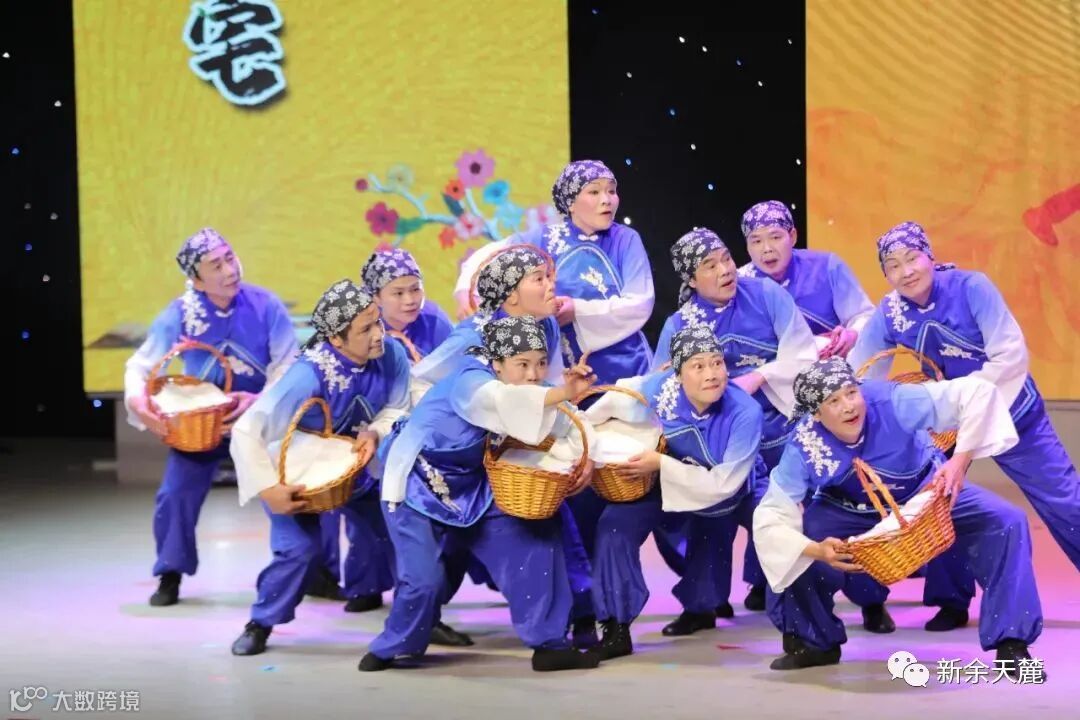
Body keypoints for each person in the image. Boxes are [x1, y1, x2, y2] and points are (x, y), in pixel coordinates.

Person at [849, 221, 1080, 631]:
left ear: (930, 256)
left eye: (912, 258)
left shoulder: (972, 287)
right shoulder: (891, 311)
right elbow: (862, 373)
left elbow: (1009, 355)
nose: (905, 271)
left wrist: (963, 397)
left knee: (1064, 501)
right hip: (950, 425)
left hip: (1012, 410)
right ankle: (951, 600)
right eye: (892, 265)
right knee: (939, 501)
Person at [753, 357, 1042, 679]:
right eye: (833, 401)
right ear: (817, 415)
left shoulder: (894, 400)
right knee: (802, 540)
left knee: (1006, 520)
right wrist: (816, 550)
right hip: (847, 509)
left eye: (851, 393)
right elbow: (772, 514)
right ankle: (814, 642)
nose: (849, 406)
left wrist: (959, 462)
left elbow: (977, 393)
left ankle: (1012, 643)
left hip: (927, 491)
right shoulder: (804, 446)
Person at [228, 280, 471, 654]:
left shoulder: (390, 353)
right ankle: (260, 623)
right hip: (300, 476)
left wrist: (375, 431)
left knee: (406, 542)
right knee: (298, 551)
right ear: (336, 340)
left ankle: (421, 620)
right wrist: (268, 488)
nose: (379, 334)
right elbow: (248, 430)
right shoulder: (307, 375)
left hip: (362, 470)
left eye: (378, 322)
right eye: (365, 329)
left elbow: (398, 406)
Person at [359, 315, 601, 673]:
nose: (534, 374)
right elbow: (502, 401)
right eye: (522, 364)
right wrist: (564, 392)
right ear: (497, 363)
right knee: (424, 580)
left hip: (475, 484)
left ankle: (549, 643)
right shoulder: (471, 379)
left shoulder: (532, 387)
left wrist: (588, 458)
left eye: (540, 363)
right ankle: (394, 646)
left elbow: (567, 419)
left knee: (535, 542)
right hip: (415, 481)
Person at [124, 228, 297, 607]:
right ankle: (170, 572)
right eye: (215, 265)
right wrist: (140, 404)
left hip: (259, 421)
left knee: (294, 492)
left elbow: (288, 365)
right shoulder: (180, 314)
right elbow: (140, 366)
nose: (229, 270)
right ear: (197, 280)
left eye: (229, 258)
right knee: (174, 495)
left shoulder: (267, 306)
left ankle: (312, 570)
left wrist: (258, 400)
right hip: (201, 427)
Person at [651, 228, 819, 616]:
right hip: (720, 435)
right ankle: (703, 605)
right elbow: (662, 385)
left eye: (726, 258)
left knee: (784, 510)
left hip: (781, 421)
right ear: (692, 280)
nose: (726, 270)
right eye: (710, 266)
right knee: (713, 513)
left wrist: (760, 377)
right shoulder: (680, 324)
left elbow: (802, 351)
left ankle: (780, 596)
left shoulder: (765, 294)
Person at [582, 325, 764, 657]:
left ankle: (797, 629)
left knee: (764, 529)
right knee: (614, 526)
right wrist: (584, 444)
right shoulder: (660, 388)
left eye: (717, 363)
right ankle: (615, 626)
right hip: (663, 476)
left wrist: (662, 465)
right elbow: (609, 405)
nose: (711, 374)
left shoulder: (745, 412)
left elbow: (724, 484)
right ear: (677, 375)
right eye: (698, 366)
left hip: (732, 487)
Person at [737, 200, 874, 359]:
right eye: (756, 241)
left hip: (831, 364)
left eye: (775, 237)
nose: (767, 249)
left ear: (792, 236)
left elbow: (863, 315)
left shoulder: (826, 266)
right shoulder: (741, 284)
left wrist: (852, 334)